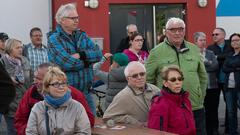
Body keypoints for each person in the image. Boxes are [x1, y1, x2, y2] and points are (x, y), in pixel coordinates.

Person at [145, 17, 207, 135]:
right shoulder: (156, 52)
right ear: (166, 32)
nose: (177, 32)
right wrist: (158, 101)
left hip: (195, 105)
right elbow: (148, 80)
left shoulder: (193, 49)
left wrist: (200, 96)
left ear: (184, 31)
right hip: (170, 109)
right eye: (173, 30)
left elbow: (203, 76)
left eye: (180, 29)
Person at [47, 3, 102, 115]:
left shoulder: (82, 35)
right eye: (72, 18)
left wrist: (81, 55)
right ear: (62, 20)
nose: (76, 20)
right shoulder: (54, 39)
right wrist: (87, 62)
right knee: (69, 129)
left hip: (86, 93)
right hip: (66, 93)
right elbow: (67, 64)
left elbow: (98, 54)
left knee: (91, 126)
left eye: (77, 17)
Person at [15, 63, 95, 135]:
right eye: (36, 78)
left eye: (40, 79)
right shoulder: (34, 99)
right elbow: (20, 120)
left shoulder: (76, 98)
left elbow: (87, 125)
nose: (36, 82)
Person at [148, 65, 196, 135]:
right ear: (165, 83)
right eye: (173, 80)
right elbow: (156, 131)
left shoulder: (185, 99)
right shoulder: (160, 104)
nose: (177, 82)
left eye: (180, 79)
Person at [1, 38, 30, 135]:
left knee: (25, 130)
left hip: (25, 102)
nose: (20, 49)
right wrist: (9, 80)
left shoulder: (25, 60)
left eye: (21, 47)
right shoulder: (2, 62)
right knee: (13, 131)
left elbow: (31, 78)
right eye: (17, 47)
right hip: (11, 104)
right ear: (9, 48)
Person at [207, 27, 233, 133]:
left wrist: (218, 57)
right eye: (213, 35)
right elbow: (210, 63)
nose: (214, 36)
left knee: (230, 105)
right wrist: (224, 58)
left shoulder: (230, 46)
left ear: (223, 35)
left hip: (228, 81)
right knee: (213, 106)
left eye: (216, 34)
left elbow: (231, 57)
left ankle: (228, 127)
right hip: (215, 81)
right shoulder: (210, 48)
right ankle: (214, 129)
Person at [194, 32, 219, 135]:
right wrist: (209, 64)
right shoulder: (193, 53)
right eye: (201, 40)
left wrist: (205, 62)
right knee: (201, 110)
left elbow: (215, 66)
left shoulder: (210, 53)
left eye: (204, 40)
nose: (203, 42)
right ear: (195, 41)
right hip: (199, 87)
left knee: (212, 110)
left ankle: (213, 130)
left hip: (212, 86)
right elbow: (195, 69)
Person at [222, 33, 240, 135]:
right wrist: (236, 67)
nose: (235, 42)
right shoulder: (229, 54)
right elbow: (224, 68)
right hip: (229, 87)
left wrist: (231, 66)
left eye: (237, 40)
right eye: (233, 40)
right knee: (231, 112)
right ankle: (233, 132)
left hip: (239, 87)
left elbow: (229, 66)